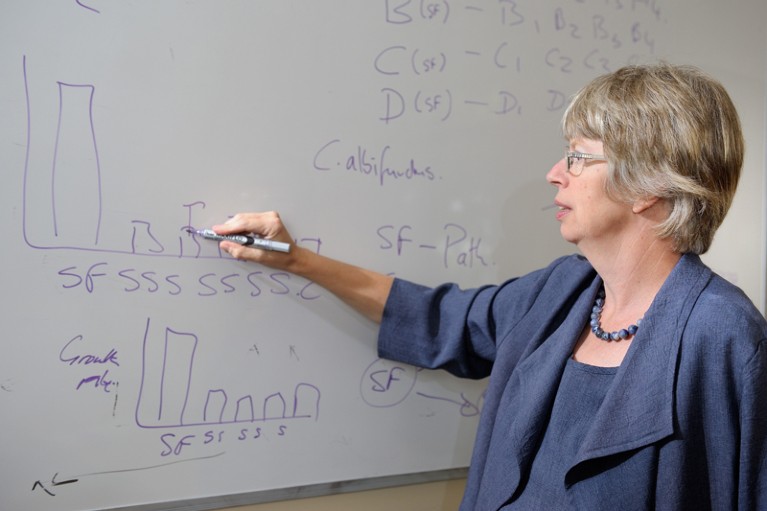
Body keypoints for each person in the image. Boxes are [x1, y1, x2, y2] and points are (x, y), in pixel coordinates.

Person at [210, 63, 767, 510]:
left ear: (648, 185)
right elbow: (437, 317)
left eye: (578, 155)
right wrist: (297, 260)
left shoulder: (722, 334)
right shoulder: (562, 291)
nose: (555, 172)